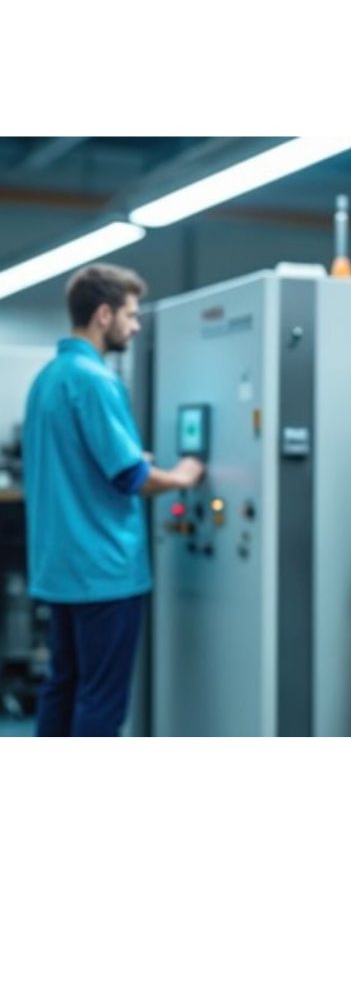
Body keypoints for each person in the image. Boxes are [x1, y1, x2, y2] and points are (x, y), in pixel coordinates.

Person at [22, 264, 205, 736]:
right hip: (103, 572)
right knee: (101, 699)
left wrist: (133, 461)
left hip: (59, 569)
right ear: (104, 315)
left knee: (62, 686)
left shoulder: (48, 379)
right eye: (131, 314)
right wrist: (182, 476)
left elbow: (78, 460)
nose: (136, 326)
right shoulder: (96, 380)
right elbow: (131, 477)